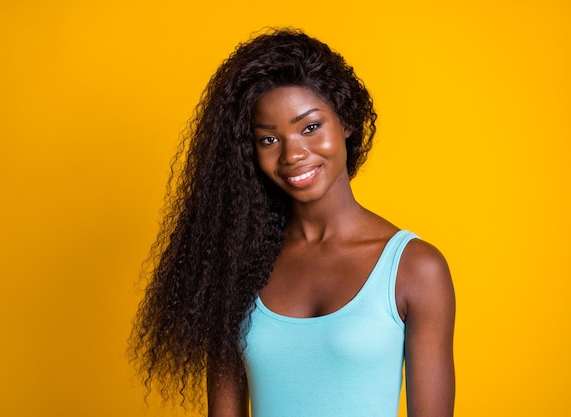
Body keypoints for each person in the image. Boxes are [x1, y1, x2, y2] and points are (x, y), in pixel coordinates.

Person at [130, 28, 455, 417]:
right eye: (269, 139)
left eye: (310, 127)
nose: (293, 154)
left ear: (346, 122)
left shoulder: (415, 269)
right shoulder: (239, 264)